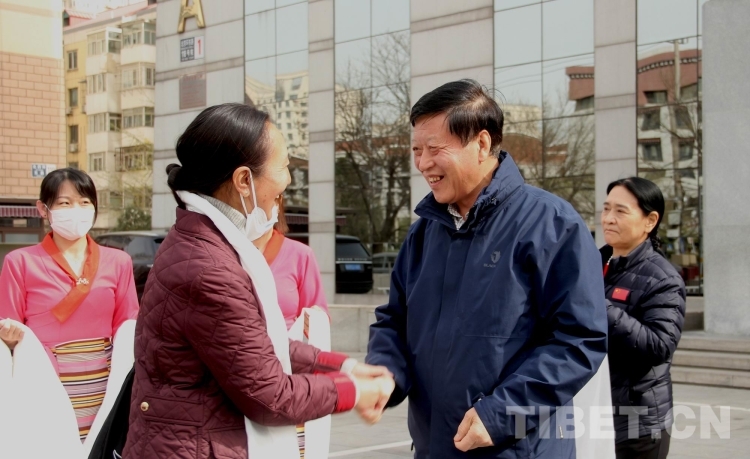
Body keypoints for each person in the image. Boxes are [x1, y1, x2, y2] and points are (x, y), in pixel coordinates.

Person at [122, 103, 394, 459]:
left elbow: (254, 344)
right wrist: (352, 391)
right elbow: (271, 396)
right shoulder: (209, 268)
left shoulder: (202, 243)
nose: (288, 181)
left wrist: (344, 366)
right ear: (243, 181)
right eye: (283, 167)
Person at [365, 79, 608, 458]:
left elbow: (579, 340)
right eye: (416, 150)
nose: (423, 163)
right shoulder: (423, 234)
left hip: (517, 449)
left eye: (435, 149)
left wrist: (501, 414)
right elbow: (394, 320)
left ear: (481, 143)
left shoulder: (552, 224)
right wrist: (385, 373)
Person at [0, 168, 139, 443]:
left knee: (101, 445)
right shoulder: (20, 262)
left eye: (85, 202)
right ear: (43, 208)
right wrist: (9, 336)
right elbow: (8, 324)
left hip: (104, 381)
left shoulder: (119, 261)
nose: (76, 210)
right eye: (65, 202)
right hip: (44, 378)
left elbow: (128, 328)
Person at [601, 177, 686, 459]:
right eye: (606, 209)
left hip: (639, 425)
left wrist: (599, 306)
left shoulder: (663, 278)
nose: (609, 218)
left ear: (650, 221)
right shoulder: (593, 264)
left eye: (620, 211)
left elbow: (659, 345)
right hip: (598, 412)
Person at [256, 195, 328, 329]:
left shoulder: (301, 255)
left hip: (287, 341)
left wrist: (316, 319)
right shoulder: (222, 251)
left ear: (278, 201)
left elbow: (317, 317)